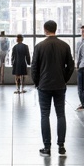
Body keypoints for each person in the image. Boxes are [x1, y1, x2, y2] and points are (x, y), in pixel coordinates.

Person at [31, 19, 75, 155]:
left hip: (44, 85)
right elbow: (71, 66)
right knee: (60, 114)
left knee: (45, 115)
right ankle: (61, 146)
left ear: (45, 29)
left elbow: (34, 68)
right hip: (60, 85)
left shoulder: (39, 46)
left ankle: (47, 147)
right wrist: (64, 79)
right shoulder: (64, 46)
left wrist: (38, 83)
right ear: (56, 29)